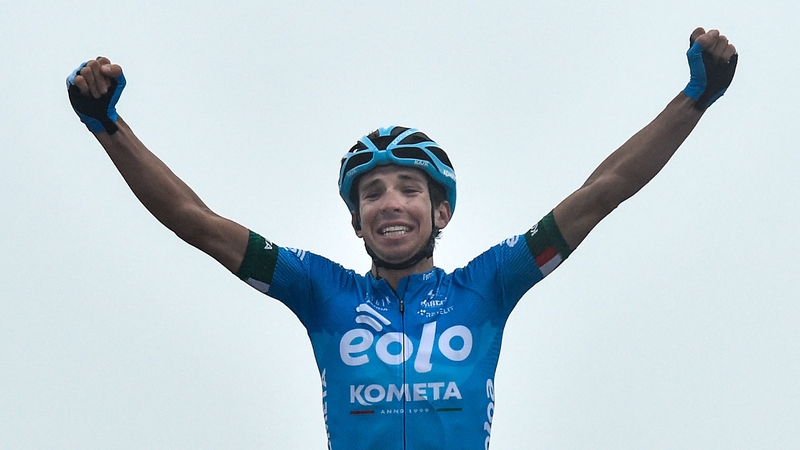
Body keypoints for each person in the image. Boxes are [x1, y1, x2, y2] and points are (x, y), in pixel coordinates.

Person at [67, 27, 737, 450]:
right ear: (356, 220)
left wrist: (695, 99)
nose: (391, 203)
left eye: (410, 189)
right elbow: (195, 221)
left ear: (440, 213)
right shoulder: (316, 289)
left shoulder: (491, 284)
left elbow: (605, 190)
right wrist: (106, 125)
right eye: (372, 193)